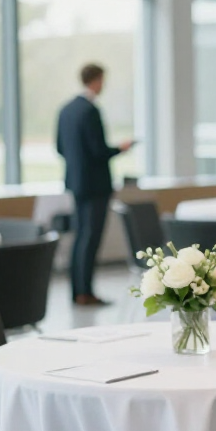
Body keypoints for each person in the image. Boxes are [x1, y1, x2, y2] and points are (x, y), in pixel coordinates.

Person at [56, 63, 133, 305]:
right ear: (97, 80)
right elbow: (98, 151)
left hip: (75, 183)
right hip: (95, 186)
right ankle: (85, 292)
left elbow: (59, 147)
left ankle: (78, 291)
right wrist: (120, 149)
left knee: (81, 238)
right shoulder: (90, 111)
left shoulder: (66, 110)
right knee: (91, 239)